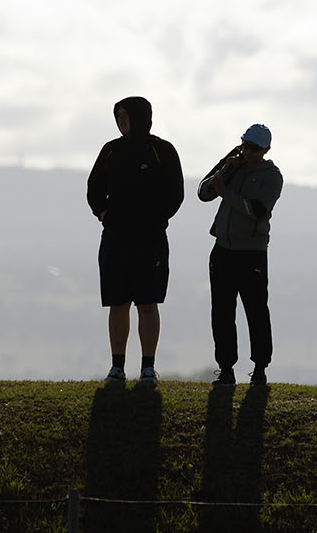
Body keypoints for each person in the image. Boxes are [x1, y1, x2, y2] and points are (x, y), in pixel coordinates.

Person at [87, 96, 185, 383]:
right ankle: (117, 367)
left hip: (150, 240)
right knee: (118, 303)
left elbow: (176, 192)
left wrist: (157, 218)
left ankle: (147, 368)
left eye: (126, 116)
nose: (121, 122)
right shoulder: (111, 151)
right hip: (115, 239)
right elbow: (94, 187)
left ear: (141, 117)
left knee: (148, 303)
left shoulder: (162, 151)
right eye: (118, 117)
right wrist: (103, 213)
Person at [198, 122, 284, 387]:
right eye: (245, 146)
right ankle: (226, 369)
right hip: (223, 250)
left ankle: (260, 368)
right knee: (222, 312)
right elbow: (203, 193)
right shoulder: (235, 167)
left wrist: (225, 192)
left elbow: (256, 210)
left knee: (256, 312)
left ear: (266, 150)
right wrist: (225, 168)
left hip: (251, 253)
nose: (248, 153)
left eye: (254, 149)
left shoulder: (273, 177)